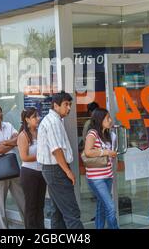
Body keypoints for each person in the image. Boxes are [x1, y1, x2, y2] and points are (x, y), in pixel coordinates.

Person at [37, 91, 84, 229]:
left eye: (70, 104)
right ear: (56, 105)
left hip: (53, 170)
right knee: (72, 213)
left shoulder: (55, 120)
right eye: (66, 104)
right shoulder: (53, 122)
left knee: (57, 212)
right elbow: (56, 150)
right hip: (56, 170)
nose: (69, 107)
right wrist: (67, 171)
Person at [84, 108, 119, 229]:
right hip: (96, 178)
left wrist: (110, 153)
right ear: (99, 119)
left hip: (108, 176)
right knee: (110, 207)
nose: (110, 120)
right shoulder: (92, 133)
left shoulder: (108, 134)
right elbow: (88, 152)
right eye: (107, 118)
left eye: (110, 117)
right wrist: (106, 152)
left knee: (101, 206)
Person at [17, 107, 46, 229]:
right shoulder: (23, 135)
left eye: (38, 115)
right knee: (31, 206)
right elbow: (24, 157)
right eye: (34, 116)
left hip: (41, 172)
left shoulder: (40, 132)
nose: (38, 118)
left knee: (40, 205)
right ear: (27, 119)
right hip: (29, 173)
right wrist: (42, 156)